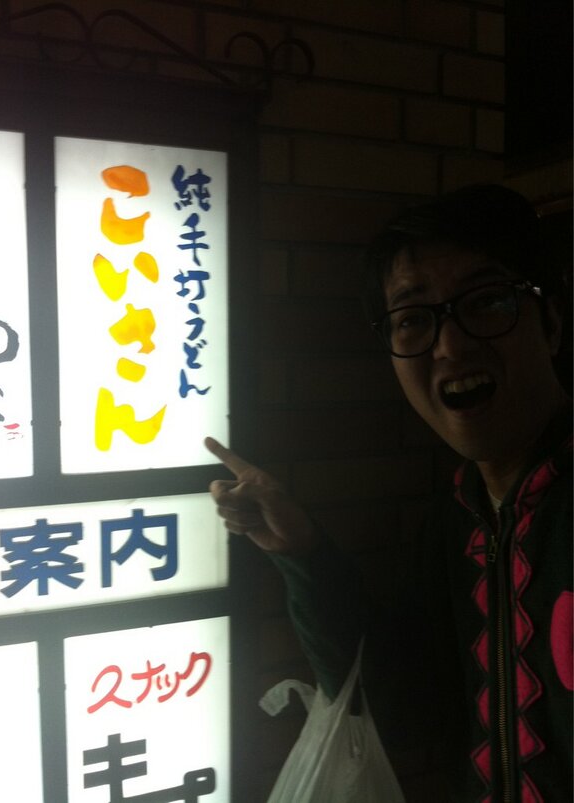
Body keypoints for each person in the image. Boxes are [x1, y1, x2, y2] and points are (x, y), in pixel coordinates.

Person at [205, 184, 573, 802]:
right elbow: (399, 709)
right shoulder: (459, 517)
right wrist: (301, 551)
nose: (451, 347)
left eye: (487, 302)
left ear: (552, 320)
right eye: (413, 320)